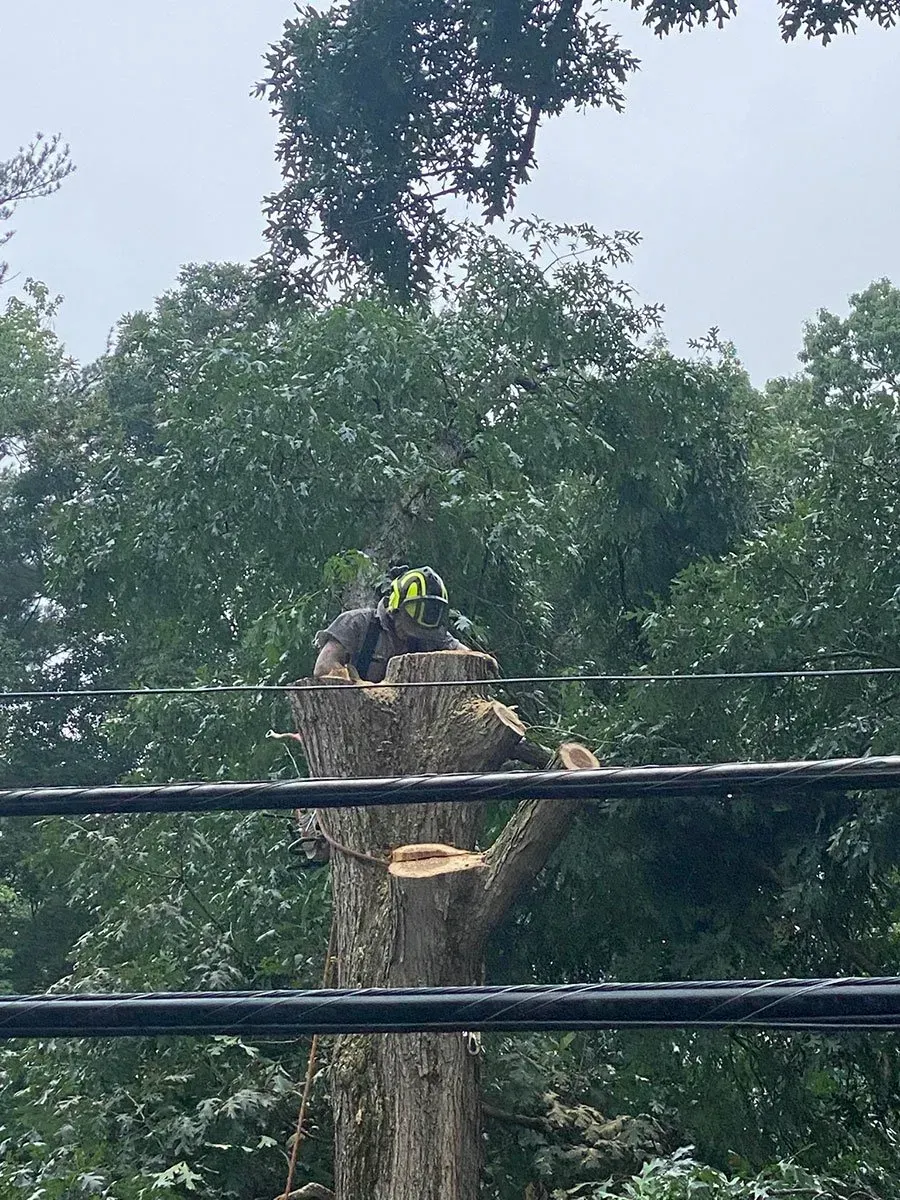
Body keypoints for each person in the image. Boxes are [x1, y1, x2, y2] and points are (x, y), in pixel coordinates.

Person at [313, 565, 465, 682]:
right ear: (396, 609)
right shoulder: (356, 623)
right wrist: (362, 688)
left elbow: (467, 656)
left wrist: (485, 661)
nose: (417, 634)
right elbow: (323, 667)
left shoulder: (433, 633)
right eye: (411, 628)